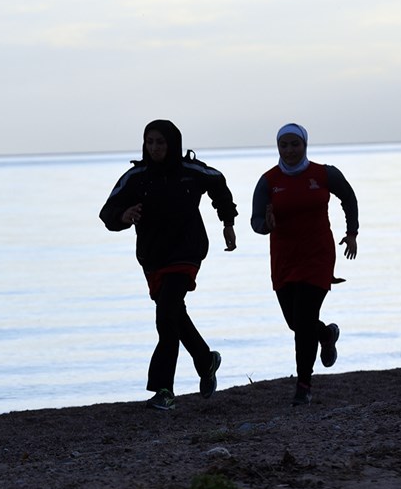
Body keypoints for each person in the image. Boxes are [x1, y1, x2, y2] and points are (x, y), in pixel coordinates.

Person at [100, 119, 238, 410]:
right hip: (153, 257)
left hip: (187, 252)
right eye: (150, 142)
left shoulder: (191, 171)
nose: (155, 148)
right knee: (174, 315)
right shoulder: (136, 177)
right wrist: (124, 215)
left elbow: (218, 182)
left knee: (165, 317)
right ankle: (205, 359)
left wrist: (227, 222)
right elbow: (108, 211)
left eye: (160, 142)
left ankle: (164, 390)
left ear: (172, 143)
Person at [251, 122, 359, 406]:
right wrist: (266, 226)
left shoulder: (324, 174)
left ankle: (304, 385)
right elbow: (256, 221)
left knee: (304, 318)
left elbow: (348, 197)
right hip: (285, 260)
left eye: (294, 144)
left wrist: (352, 233)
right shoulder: (268, 181)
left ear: (305, 145)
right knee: (296, 322)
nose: (289, 150)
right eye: (283, 145)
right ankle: (326, 334)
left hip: (317, 257)